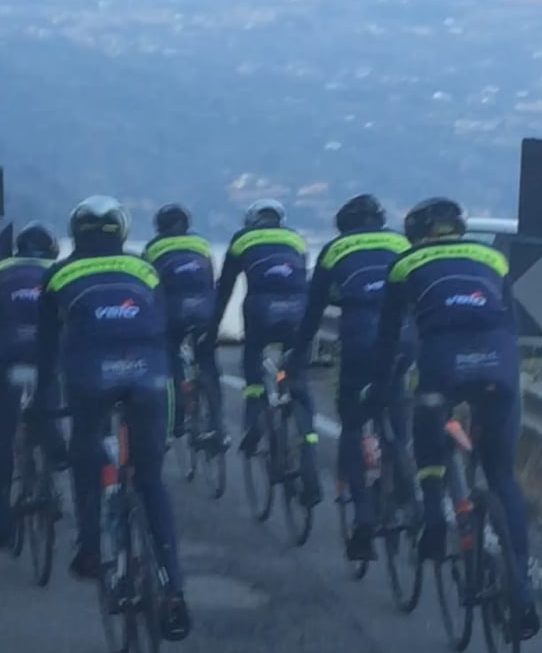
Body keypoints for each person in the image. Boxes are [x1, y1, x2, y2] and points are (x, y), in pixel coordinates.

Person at [366, 196, 540, 640]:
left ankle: (433, 520)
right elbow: (511, 323)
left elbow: (388, 339)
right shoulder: (493, 257)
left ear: (417, 234)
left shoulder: (404, 265)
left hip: (442, 364)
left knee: (427, 431)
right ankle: (521, 593)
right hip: (500, 365)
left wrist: (379, 388)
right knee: (501, 476)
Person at [33, 195, 191, 641]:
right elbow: (164, 331)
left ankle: (89, 549)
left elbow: (46, 354)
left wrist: (45, 406)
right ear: (121, 231)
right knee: (151, 480)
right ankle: (173, 590)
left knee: (87, 459)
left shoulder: (58, 274)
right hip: (148, 376)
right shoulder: (146, 269)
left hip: (90, 378)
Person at [288, 193, 417, 562]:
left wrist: (297, 357)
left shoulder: (335, 249)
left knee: (353, 424)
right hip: (405, 339)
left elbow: (313, 313)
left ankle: (363, 517)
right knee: (394, 401)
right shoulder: (401, 243)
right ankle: (402, 472)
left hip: (361, 341)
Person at [208, 198, 321, 504]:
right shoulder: (296, 238)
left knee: (252, 362)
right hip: (298, 311)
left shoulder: (242, 239)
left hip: (261, 310)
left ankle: (253, 422)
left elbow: (225, 288)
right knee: (297, 380)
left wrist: (213, 328)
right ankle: (308, 444)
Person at [0, 221, 62, 548]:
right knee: (50, 392)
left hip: (6, 358)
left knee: (2, 436)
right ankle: (54, 448)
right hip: (44, 357)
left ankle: (3, 519)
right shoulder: (57, 272)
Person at [143, 203, 227, 447]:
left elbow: (147, 289)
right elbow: (210, 279)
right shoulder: (202, 244)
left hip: (173, 312)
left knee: (169, 355)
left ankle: (176, 415)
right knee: (207, 361)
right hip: (205, 311)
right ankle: (218, 425)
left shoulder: (152, 248)